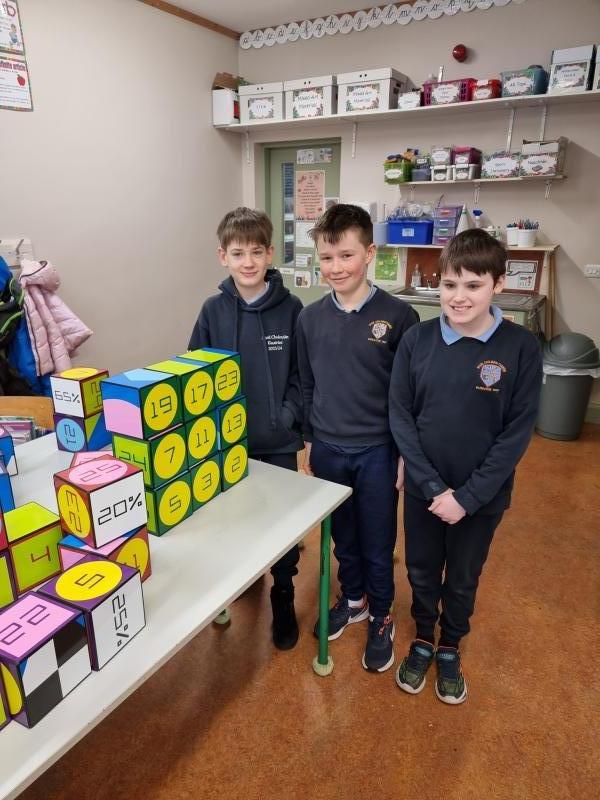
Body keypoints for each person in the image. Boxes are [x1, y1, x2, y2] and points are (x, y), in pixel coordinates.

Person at [389, 229, 543, 704]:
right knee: (421, 569)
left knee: (462, 576)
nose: (459, 297)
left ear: (498, 284)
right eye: (450, 284)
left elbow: (516, 433)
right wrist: (432, 485)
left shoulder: (521, 347)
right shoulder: (417, 340)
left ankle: (451, 644)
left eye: (473, 285)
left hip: (482, 497)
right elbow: (401, 415)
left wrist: (468, 497)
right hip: (424, 489)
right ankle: (423, 637)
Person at [297, 204, 418, 673]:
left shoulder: (400, 316)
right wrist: (309, 440)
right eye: (326, 258)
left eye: (346, 256)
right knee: (341, 535)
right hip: (328, 448)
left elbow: (408, 396)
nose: (336, 267)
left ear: (369, 253)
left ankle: (382, 612)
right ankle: (354, 599)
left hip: (378, 451)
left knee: (377, 538)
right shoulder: (309, 319)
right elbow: (307, 385)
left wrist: (404, 452)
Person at [188, 207, 304, 650]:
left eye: (257, 252)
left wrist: (287, 415)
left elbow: (301, 375)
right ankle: (245, 574)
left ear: (270, 253)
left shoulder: (291, 309)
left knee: (282, 519)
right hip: (228, 443)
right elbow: (194, 373)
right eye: (238, 253)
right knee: (235, 516)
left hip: (278, 440)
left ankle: (283, 591)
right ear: (223, 256)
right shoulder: (212, 311)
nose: (248, 262)